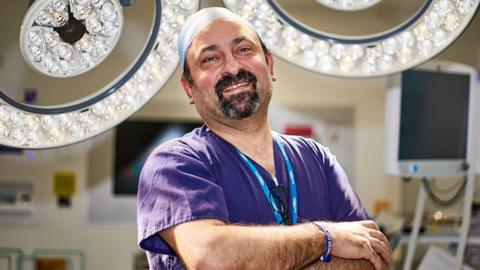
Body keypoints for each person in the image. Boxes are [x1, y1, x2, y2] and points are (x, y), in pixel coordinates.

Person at [137, 7, 392, 270]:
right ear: (189, 87)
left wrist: (259, 257)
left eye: (244, 49)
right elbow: (213, 259)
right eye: (211, 58)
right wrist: (326, 238)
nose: (233, 66)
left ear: (269, 65)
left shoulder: (316, 158)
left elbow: (374, 258)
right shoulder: (175, 164)